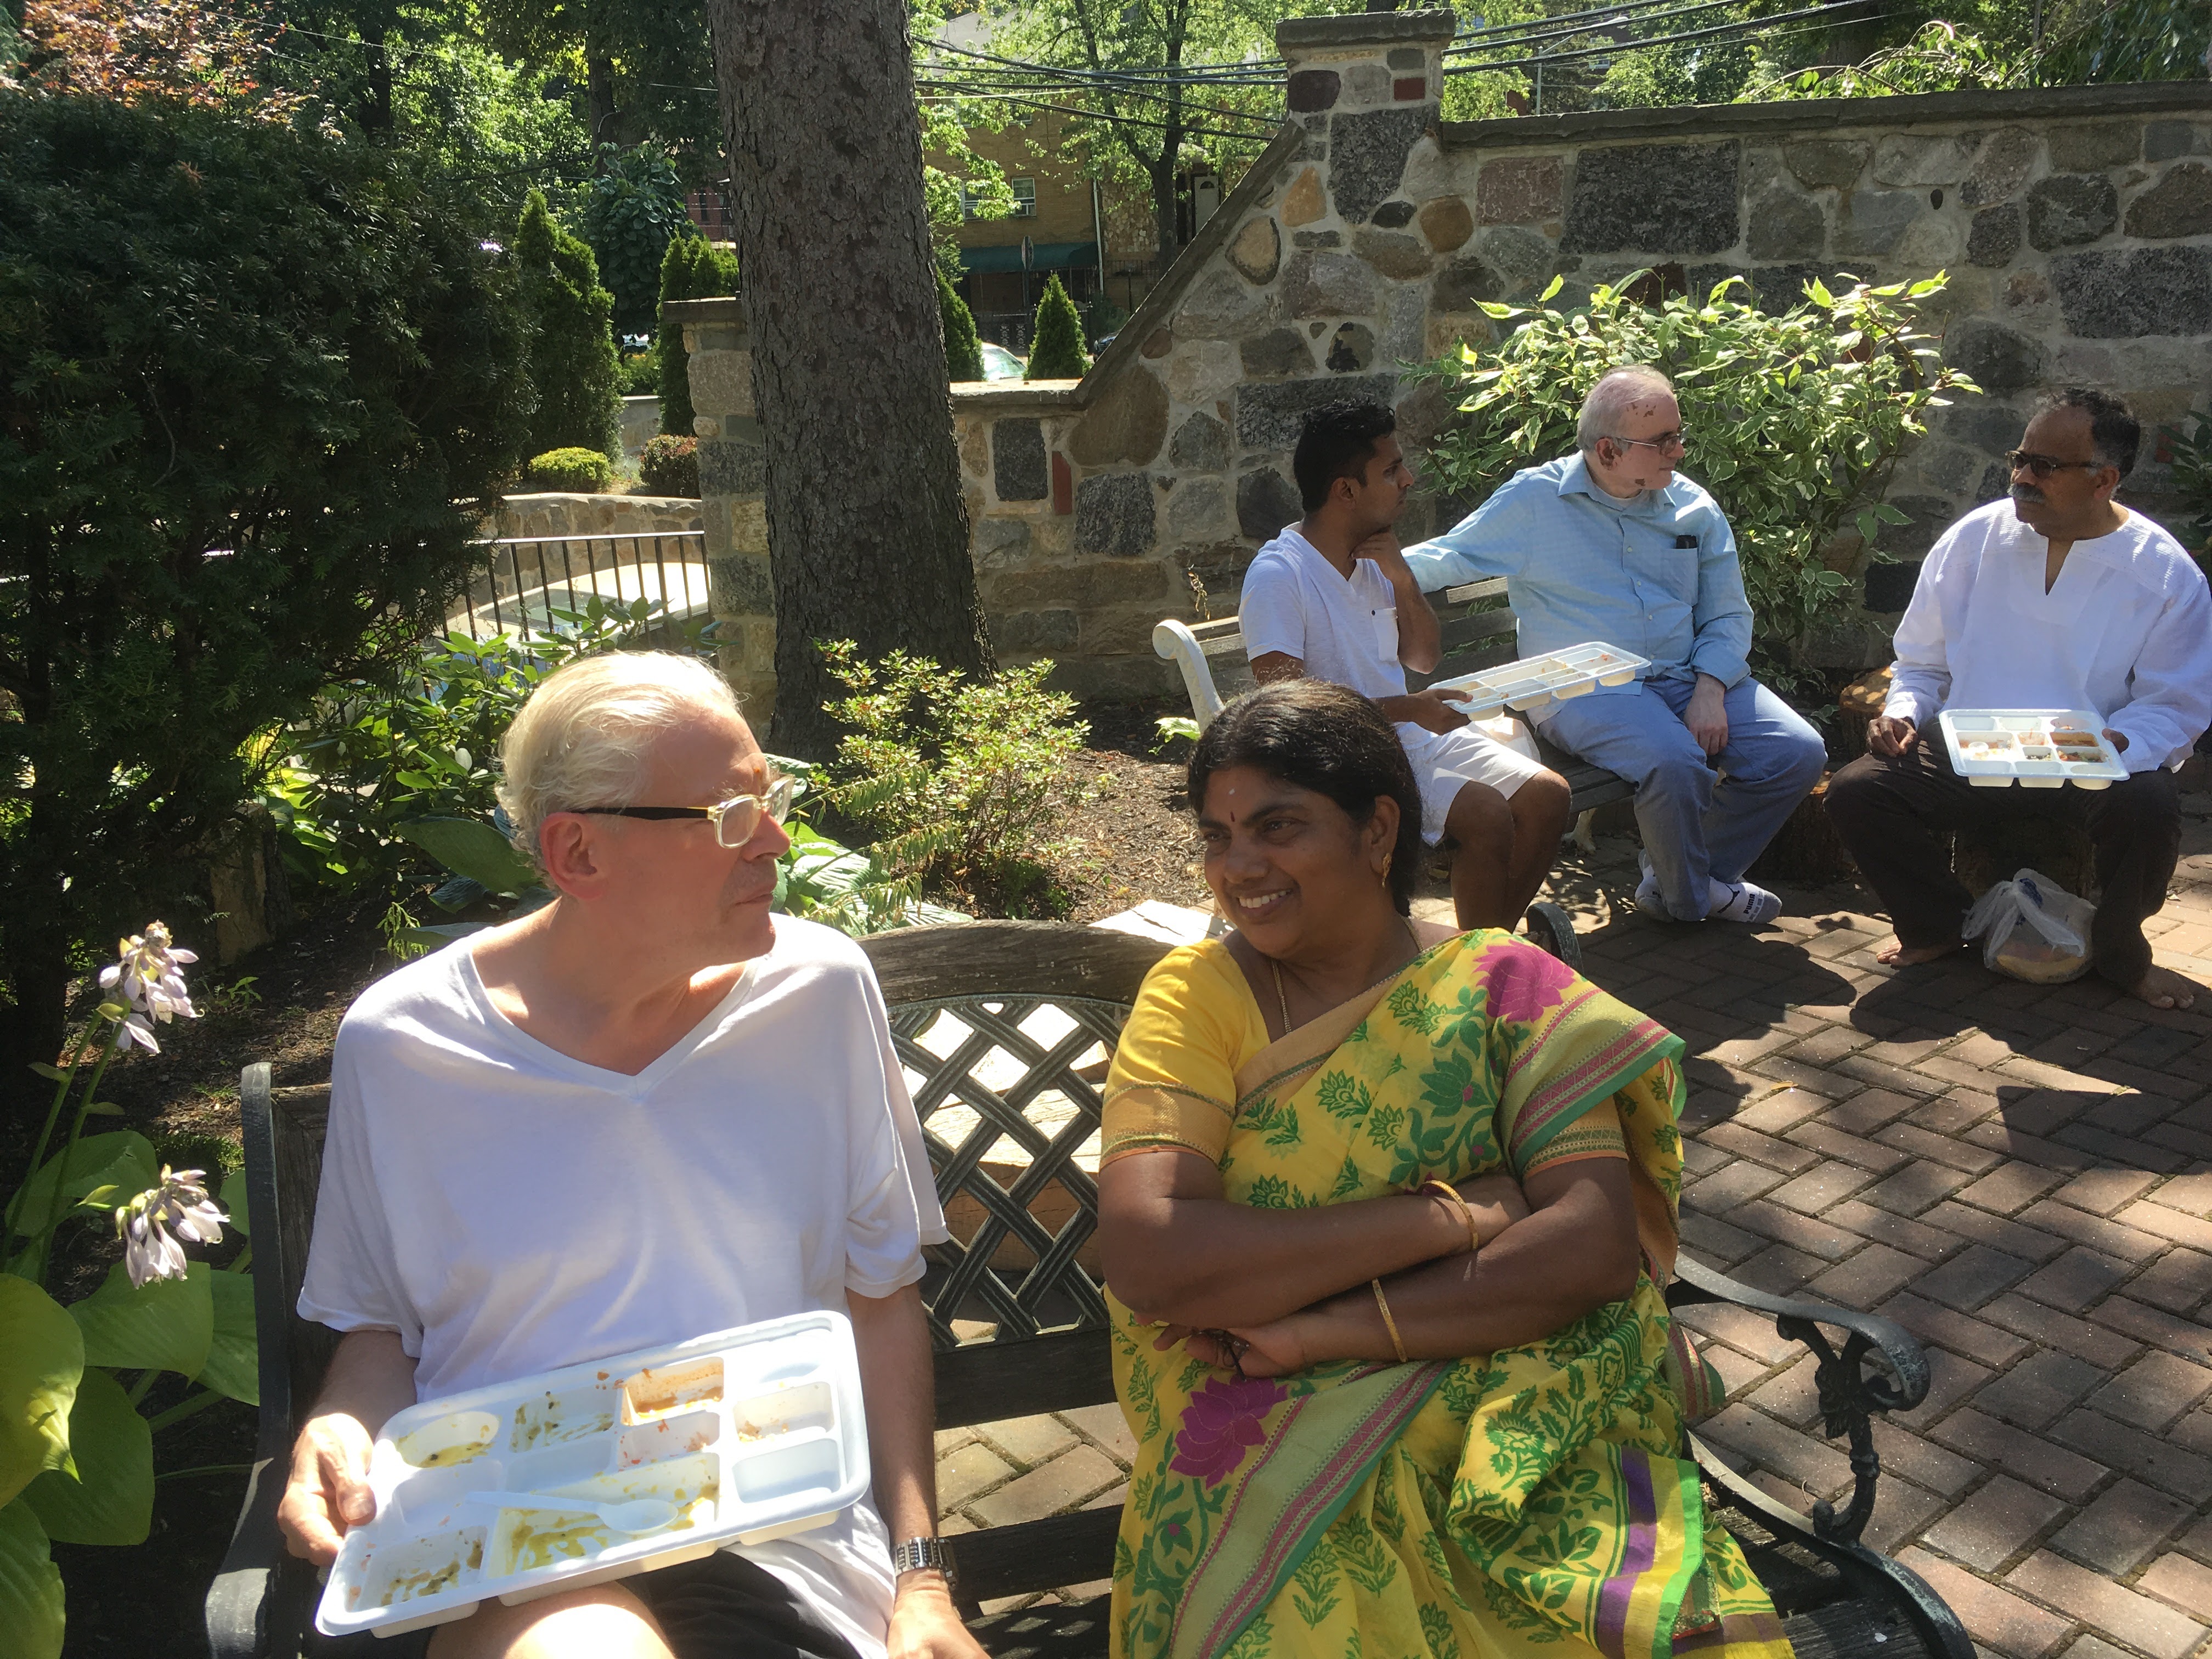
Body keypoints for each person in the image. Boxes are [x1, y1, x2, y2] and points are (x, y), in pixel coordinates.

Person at [276, 652, 983, 1659]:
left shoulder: (819, 993)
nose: (774, 840)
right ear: (577, 851)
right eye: (729, 815)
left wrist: (922, 1577)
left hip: (772, 1543)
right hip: (512, 1547)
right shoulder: (405, 1044)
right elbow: (381, 1327)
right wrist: (341, 1428)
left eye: (770, 798)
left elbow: (880, 1295)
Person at [1096, 679, 1791, 1659]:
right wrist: (1458, 1217)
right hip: (1261, 1423)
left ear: (1378, 829)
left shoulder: (1508, 987)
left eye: (1277, 826)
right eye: (1217, 835)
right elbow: (1155, 1256)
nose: (1237, 867)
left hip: (1512, 1421)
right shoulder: (1197, 997)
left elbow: (1590, 1248)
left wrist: (1315, 1329)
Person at [1826, 388, 2212, 1011]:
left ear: (2104, 480)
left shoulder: (2163, 572)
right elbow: (1923, 662)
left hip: (2088, 759)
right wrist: (1901, 713)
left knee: (2149, 804)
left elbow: (2175, 702)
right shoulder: (1974, 539)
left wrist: (2126, 740)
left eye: (2046, 466)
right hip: (1970, 747)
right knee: (1858, 791)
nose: (2023, 478)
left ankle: (2121, 955)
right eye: (2021, 459)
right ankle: (1938, 926)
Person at [1400, 365, 1826, 926]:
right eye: (1663, 441)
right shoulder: (1536, 500)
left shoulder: (1693, 507)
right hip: (1582, 690)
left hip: (1683, 676)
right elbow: (1447, 558)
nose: (1679, 451)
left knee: (1796, 751)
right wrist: (1336, 564)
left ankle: (1686, 876)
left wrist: (1710, 687)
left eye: (1678, 435)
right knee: (1674, 762)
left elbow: (1727, 612)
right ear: (1608, 450)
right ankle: (1687, 904)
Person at [1238, 399, 1574, 934]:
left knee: (1549, 796)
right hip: (1345, 762)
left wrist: (1401, 576)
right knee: (1488, 815)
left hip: (1411, 740)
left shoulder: (1376, 558)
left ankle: (1482, 951)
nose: (1409, 480)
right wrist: (1409, 709)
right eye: (1392, 470)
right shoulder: (1280, 575)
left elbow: (1424, 657)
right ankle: (1479, 962)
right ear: (1346, 491)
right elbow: (1289, 712)